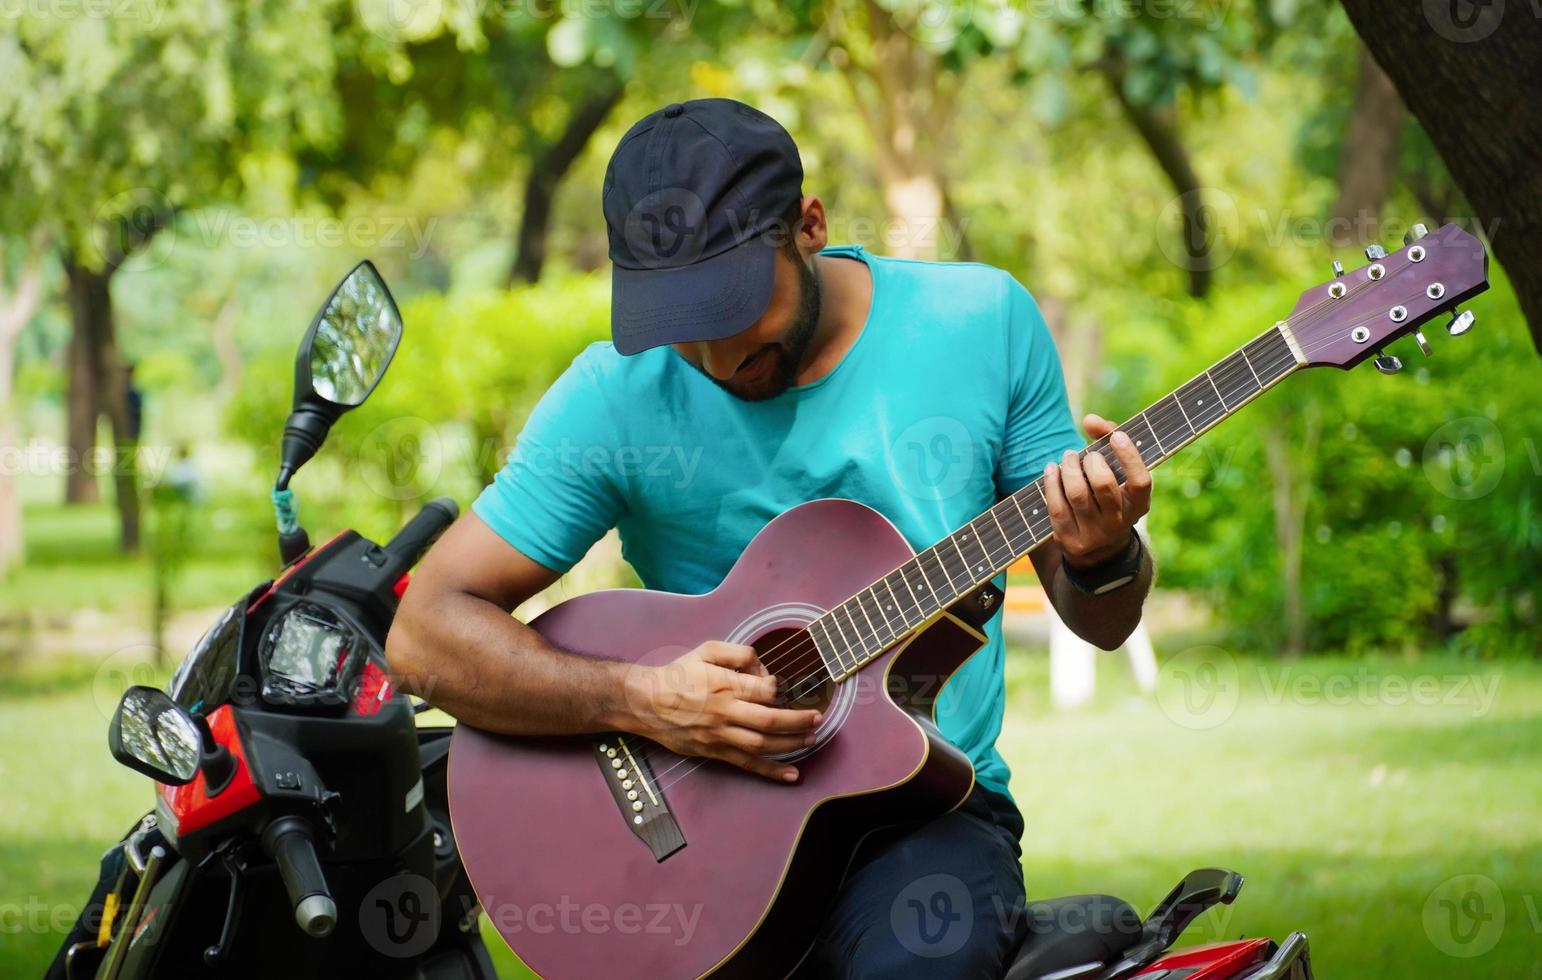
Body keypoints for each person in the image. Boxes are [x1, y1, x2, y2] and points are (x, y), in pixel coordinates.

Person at [387, 98, 1155, 977]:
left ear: (811, 227)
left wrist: (1103, 554)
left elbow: (1101, 621)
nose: (717, 359)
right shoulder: (615, 396)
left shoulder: (980, 322)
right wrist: (641, 700)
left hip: (925, 814)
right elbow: (424, 635)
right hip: (691, 844)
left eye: (735, 307)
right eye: (682, 325)